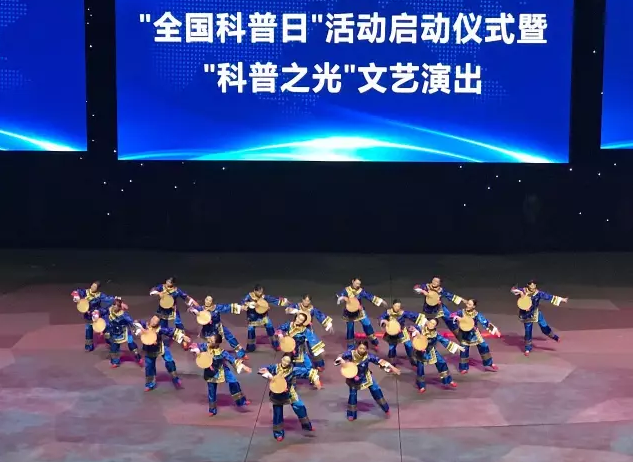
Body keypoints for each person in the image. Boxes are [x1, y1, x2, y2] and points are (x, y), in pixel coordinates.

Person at [258, 353, 321, 441]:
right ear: (281, 359)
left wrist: (315, 378)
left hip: (289, 393)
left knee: (300, 407)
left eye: (287, 361)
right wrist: (266, 372)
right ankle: (278, 433)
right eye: (284, 360)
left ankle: (307, 426)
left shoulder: (293, 370)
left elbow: (307, 372)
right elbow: (263, 369)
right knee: (277, 414)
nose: (285, 363)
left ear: (290, 362)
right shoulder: (275, 367)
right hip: (277, 393)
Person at [334, 340, 400, 421]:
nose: (362, 350)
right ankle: (351, 414)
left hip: (366, 376)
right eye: (360, 348)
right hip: (353, 378)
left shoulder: (368, 356)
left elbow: (379, 361)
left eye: (364, 349)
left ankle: (386, 409)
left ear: (366, 349)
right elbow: (340, 356)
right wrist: (341, 360)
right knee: (352, 395)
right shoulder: (351, 354)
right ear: (357, 347)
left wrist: (392, 367)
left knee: (376, 390)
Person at [188, 334, 252, 415]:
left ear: (216, 343)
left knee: (234, 381)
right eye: (209, 340)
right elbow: (194, 346)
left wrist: (244, 367)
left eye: (211, 341)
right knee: (211, 390)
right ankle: (212, 410)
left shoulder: (222, 352)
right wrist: (196, 350)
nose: (209, 341)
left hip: (222, 369)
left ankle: (241, 401)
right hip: (211, 372)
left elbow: (232, 360)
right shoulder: (205, 346)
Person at [133, 315, 190, 391]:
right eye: (153, 319)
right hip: (149, 350)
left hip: (160, 347)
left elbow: (171, 331)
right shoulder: (145, 325)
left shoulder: (160, 329)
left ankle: (175, 378)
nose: (153, 322)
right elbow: (136, 323)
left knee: (169, 361)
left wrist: (183, 337)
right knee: (149, 366)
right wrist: (139, 328)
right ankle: (150, 384)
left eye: (156, 321)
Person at [511, 280, 568, 356]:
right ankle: (527, 348)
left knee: (544, 326)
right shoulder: (523, 290)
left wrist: (562, 299)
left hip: (536, 313)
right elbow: (513, 290)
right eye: (531, 286)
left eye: (534, 286)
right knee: (528, 331)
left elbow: (549, 297)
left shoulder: (538, 293)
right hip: (526, 315)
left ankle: (555, 337)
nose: (532, 288)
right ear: (528, 286)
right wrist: (519, 291)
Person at [410, 318, 465, 392]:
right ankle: (421, 385)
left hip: (431, 351)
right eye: (430, 322)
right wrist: (413, 330)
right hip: (420, 352)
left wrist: (456, 346)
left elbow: (444, 341)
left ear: (435, 326)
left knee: (442, 362)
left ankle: (448, 380)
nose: (431, 324)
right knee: (420, 368)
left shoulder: (435, 334)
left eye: (433, 324)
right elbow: (411, 330)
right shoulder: (420, 328)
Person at [449, 299, 500, 373]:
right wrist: (456, 317)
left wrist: (495, 330)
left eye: (470, 304)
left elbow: (485, 322)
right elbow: (451, 315)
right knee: (464, 350)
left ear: (473, 306)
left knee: (484, 346)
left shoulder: (476, 314)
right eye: (467, 304)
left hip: (474, 334)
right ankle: (463, 368)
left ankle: (489, 363)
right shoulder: (461, 312)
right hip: (464, 334)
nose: (467, 305)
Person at [336, 277, 388, 350]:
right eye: (357, 283)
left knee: (367, 325)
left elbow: (369, 296)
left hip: (359, 311)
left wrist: (381, 301)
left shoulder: (360, 291)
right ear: (353, 281)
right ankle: (351, 347)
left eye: (359, 284)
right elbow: (339, 298)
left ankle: (374, 342)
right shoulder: (346, 290)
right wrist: (341, 299)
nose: (358, 285)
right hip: (349, 313)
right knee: (350, 329)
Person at [285, 294, 332, 370]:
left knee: (313, 347)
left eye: (308, 301)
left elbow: (320, 315)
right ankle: (295, 364)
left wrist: (328, 324)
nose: (306, 302)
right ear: (302, 300)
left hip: (307, 330)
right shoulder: (297, 306)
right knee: (296, 347)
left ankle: (319, 364)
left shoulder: (312, 309)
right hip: (296, 329)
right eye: (305, 300)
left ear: (310, 301)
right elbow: (288, 309)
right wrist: (295, 311)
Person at [240, 284, 290, 352]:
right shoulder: (248, 297)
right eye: (259, 292)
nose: (260, 293)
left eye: (261, 292)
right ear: (254, 291)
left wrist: (284, 302)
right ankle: (251, 347)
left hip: (263, 317)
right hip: (253, 318)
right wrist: (248, 304)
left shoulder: (263, 297)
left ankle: (276, 345)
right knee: (251, 331)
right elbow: (243, 303)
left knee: (270, 328)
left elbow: (273, 300)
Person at [276, 312, 321, 387]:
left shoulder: (304, 330)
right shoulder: (289, 325)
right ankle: (291, 382)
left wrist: (318, 349)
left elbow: (312, 338)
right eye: (298, 318)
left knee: (309, 366)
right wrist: (280, 334)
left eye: (301, 320)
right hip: (289, 350)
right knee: (288, 368)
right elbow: (279, 328)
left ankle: (313, 378)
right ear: (296, 317)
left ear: (303, 322)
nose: (298, 320)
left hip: (300, 351)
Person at [378, 299, 426, 366]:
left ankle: (412, 360)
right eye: (396, 306)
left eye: (399, 306)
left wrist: (425, 321)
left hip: (402, 332)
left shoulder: (402, 313)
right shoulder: (388, 312)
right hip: (392, 333)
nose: (397, 308)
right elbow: (380, 317)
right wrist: (383, 321)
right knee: (392, 348)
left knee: (408, 345)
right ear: (393, 305)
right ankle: (392, 362)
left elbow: (412, 315)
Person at [71, 281, 115, 351]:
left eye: (95, 287)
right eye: (92, 285)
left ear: (97, 288)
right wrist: (76, 296)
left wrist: (115, 299)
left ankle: (110, 343)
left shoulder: (99, 295)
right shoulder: (86, 292)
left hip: (96, 313)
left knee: (104, 328)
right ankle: (89, 346)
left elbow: (108, 299)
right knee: (88, 329)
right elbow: (76, 292)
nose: (92, 287)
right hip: (88, 315)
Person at [101, 297, 143, 367]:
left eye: (116, 306)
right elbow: (103, 312)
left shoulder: (124, 315)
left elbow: (131, 322)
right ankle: (115, 362)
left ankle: (138, 358)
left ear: (120, 307)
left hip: (125, 331)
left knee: (131, 344)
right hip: (114, 331)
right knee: (114, 347)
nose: (114, 307)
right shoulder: (110, 309)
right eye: (114, 305)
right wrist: (97, 313)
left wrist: (139, 328)